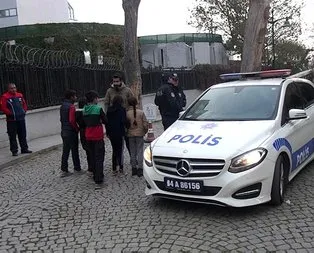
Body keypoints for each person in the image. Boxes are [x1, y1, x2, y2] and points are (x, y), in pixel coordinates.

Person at [83, 90, 108, 185]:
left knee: (92, 156)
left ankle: (94, 174)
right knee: (99, 156)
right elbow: (105, 120)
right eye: (97, 98)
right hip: (97, 135)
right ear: (94, 99)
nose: (98, 100)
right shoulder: (98, 109)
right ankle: (99, 177)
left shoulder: (85, 109)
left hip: (88, 135)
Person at [1, 83, 32, 156]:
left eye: (14, 88)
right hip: (11, 120)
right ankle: (14, 151)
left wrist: (24, 111)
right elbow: (3, 107)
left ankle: (24, 149)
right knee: (12, 136)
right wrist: (11, 114)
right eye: (11, 88)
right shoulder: (5, 97)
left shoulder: (20, 95)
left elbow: (24, 104)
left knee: (23, 134)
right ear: (8, 89)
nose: (13, 89)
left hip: (21, 119)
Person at [126, 96, 148, 177]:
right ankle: (140, 169)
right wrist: (144, 131)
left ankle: (133, 168)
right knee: (140, 151)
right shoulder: (141, 112)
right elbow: (145, 124)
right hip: (139, 134)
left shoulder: (127, 113)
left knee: (132, 151)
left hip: (130, 134)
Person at [60, 89, 81, 175]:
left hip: (64, 130)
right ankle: (77, 168)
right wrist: (77, 128)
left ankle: (64, 169)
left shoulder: (62, 106)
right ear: (71, 97)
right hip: (71, 131)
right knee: (74, 150)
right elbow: (72, 120)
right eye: (75, 96)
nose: (76, 98)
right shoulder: (71, 107)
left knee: (65, 150)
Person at [106, 95, 128, 176]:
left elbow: (107, 122)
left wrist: (107, 132)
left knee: (114, 150)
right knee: (120, 150)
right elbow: (123, 121)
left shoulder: (109, 110)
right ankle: (121, 168)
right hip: (120, 132)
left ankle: (114, 168)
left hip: (111, 132)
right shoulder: (122, 109)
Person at [75, 97, 92, 174]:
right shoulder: (86, 112)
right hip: (88, 131)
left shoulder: (77, 112)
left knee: (87, 150)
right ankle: (92, 167)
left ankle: (90, 167)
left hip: (82, 131)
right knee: (91, 150)